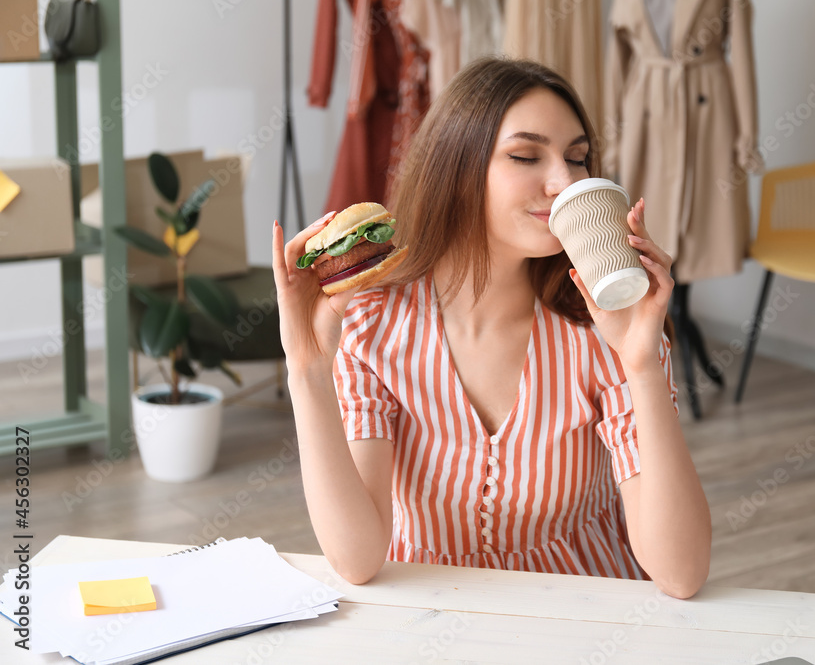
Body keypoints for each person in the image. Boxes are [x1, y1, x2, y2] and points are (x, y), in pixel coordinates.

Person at [271, 57, 711, 599]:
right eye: (526, 155)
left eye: (577, 159)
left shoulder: (606, 330)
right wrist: (307, 371)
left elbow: (681, 574)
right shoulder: (373, 325)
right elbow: (358, 560)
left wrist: (643, 363)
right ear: (456, 168)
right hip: (429, 615)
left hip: (584, 620)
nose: (564, 181)